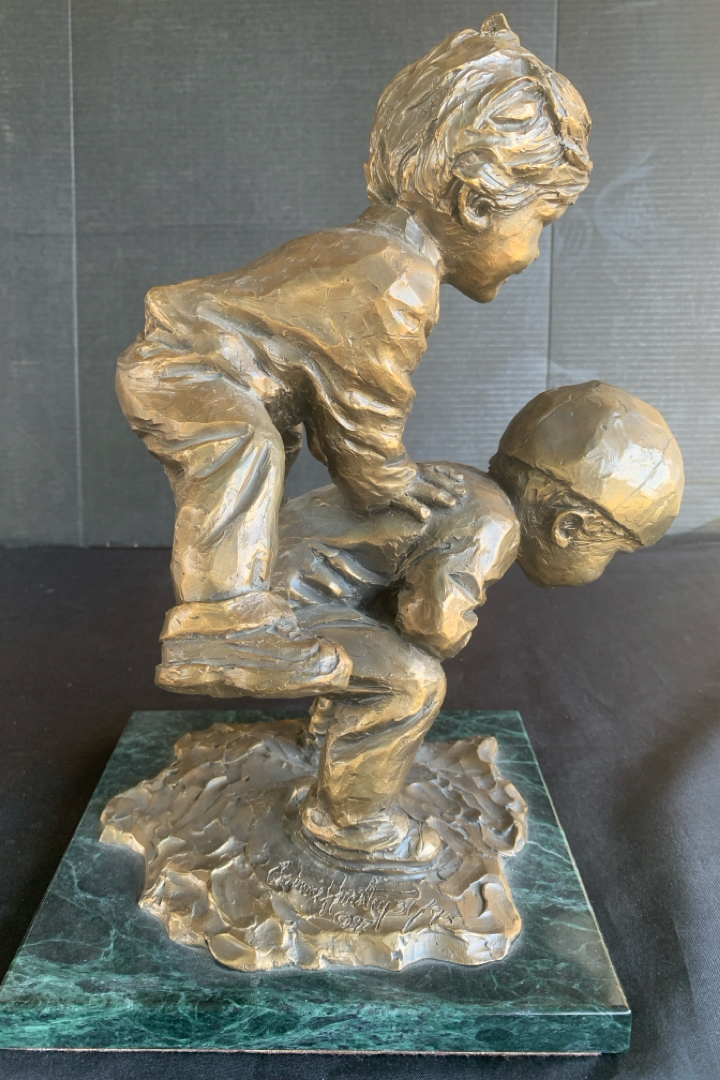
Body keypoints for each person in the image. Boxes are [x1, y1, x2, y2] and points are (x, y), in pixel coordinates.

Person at [117, 15, 593, 697]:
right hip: (187, 368)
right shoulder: (397, 278)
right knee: (242, 449)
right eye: (540, 221)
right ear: (477, 203)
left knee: (259, 463)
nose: (535, 252)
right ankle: (221, 632)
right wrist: (386, 480)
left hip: (227, 373)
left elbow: (336, 391)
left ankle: (256, 608)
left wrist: (375, 473)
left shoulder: (373, 252)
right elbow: (363, 406)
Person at [270, 382, 684, 869]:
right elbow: (430, 624)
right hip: (276, 607)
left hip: (290, 581)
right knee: (411, 683)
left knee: (381, 631)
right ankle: (347, 824)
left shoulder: (470, 487)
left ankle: (327, 737)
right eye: (610, 551)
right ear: (568, 526)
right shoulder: (493, 526)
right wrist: (458, 626)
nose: (604, 567)